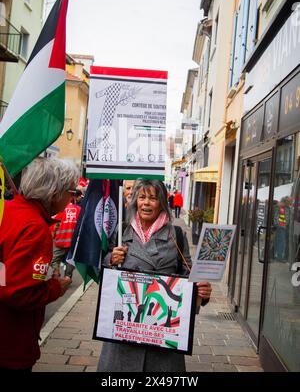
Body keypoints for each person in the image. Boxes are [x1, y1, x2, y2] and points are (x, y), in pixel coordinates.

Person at [97, 179, 212, 373]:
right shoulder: (121, 231)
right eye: (141, 197)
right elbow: (103, 275)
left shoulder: (176, 234)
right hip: (124, 329)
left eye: (153, 198)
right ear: (135, 201)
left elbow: (188, 275)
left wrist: (202, 291)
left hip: (162, 333)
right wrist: (110, 259)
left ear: (162, 203)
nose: (146, 203)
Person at [0, 157, 79, 372]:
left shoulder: (9, 210)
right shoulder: (35, 228)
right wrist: (55, 287)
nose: (71, 200)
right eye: (71, 193)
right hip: (10, 343)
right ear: (55, 193)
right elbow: (17, 292)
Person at [50, 193, 81, 278]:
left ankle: (56, 272)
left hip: (60, 240)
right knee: (70, 260)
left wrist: (53, 235)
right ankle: (67, 277)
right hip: (73, 242)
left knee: (54, 259)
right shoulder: (79, 209)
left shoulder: (60, 209)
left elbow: (54, 224)